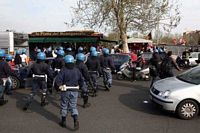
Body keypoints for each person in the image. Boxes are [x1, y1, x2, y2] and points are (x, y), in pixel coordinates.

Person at [55, 55, 87, 130]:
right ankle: (75, 121)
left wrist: (58, 87)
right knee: (73, 106)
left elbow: (58, 81)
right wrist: (81, 86)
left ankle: (63, 121)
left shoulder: (63, 70)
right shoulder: (76, 70)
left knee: (64, 106)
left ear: (65, 61)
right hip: (75, 91)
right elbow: (81, 80)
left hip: (65, 91)